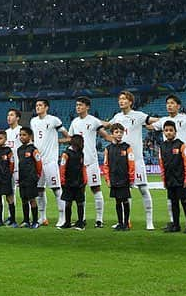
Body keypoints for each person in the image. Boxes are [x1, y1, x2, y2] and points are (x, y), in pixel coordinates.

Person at [148, 95, 186, 230]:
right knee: (172, 199)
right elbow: (150, 127)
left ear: (178, 105)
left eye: (172, 103)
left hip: (184, 163)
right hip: (170, 166)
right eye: (167, 103)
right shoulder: (163, 120)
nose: (169, 105)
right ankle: (174, 222)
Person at [109, 90, 155, 230]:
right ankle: (125, 221)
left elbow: (152, 120)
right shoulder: (116, 117)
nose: (121, 101)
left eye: (124, 99)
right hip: (121, 163)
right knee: (124, 193)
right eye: (120, 99)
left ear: (130, 101)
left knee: (143, 189)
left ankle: (149, 221)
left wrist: (169, 119)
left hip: (136, 160)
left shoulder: (138, 115)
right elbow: (107, 125)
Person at [66, 97, 111, 228]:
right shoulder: (74, 122)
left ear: (87, 107)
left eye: (80, 105)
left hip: (91, 161)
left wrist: (114, 138)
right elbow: (71, 139)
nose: (78, 107)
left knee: (96, 188)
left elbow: (105, 135)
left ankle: (99, 220)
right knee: (80, 191)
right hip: (78, 163)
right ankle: (82, 218)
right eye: (77, 105)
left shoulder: (93, 121)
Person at [30, 99, 68, 227]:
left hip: (50, 161)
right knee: (39, 190)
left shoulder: (53, 120)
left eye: (40, 105)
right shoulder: (33, 121)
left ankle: (62, 217)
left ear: (46, 107)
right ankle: (42, 217)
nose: (38, 107)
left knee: (56, 189)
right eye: (36, 105)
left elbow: (67, 136)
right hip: (38, 162)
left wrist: (58, 141)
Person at [159, 121, 186, 233]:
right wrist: (164, 179)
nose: (168, 132)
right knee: (173, 203)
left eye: (171, 130)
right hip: (170, 180)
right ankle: (176, 225)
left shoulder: (181, 145)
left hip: (181, 179)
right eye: (166, 130)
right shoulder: (162, 146)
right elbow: (161, 164)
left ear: (175, 132)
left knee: (184, 202)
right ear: (163, 132)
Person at [102, 123, 135, 231]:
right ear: (112, 134)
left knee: (125, 200)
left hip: (124, 179)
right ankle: (120, 223)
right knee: (117, 201)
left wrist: (131, 179)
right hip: (114, 179)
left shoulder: (127, 147)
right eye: (116, 132)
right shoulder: (108, 149)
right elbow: (106, 165)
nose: (119, 134)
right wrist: (107, 179)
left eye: (121, 132)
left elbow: (131, 164)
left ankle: (126, 223)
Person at [16, 126, 43, 229]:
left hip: (31, 178)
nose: (21, 137)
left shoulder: (33, 149)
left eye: (24, 135)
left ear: (30, 136)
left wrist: (37, 175)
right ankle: (26, 220)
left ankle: (35, 221)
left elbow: (39, 163)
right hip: (22, 178)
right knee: (23, 199)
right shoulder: (19, 150)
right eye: (20, 135)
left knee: (32, 199)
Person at [58, 134, 87, 230]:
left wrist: (85, 179)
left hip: (79, 182)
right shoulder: (66, 154)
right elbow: (62, 168)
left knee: (80, 203)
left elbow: (83, 166)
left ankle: (80, 222)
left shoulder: (81, 153)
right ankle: (67, 222)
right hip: (68, 183)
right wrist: (62, 181)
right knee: (68, 203)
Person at [0, 129, 16, 227]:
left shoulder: (8, 150)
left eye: (0, 138)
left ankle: (13, 220)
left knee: (9, 198)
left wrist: (9, 174)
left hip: (6, 177)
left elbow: (12, 163)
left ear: (5, 139)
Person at [5, 108, 23, 190]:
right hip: (8, 167)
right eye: (8, 115)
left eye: (11, 115)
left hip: (20, 166)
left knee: (24, 191)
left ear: (17, 118)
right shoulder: (5, 132)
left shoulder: (21, 131)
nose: (9, 117)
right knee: (10, 191)